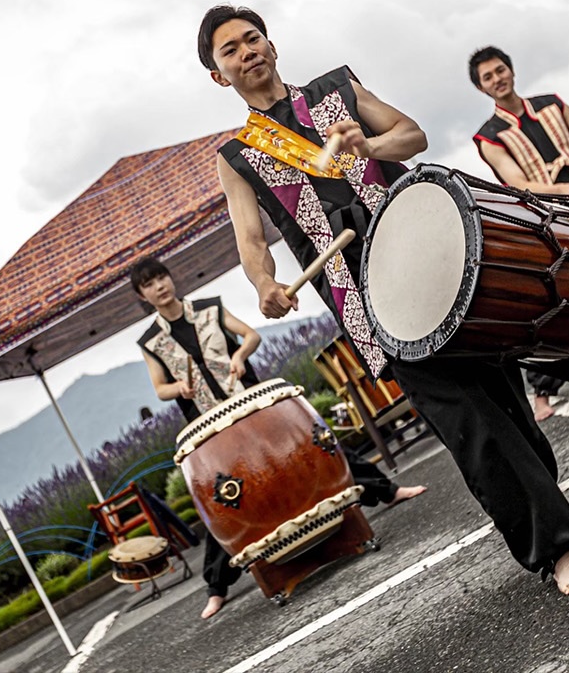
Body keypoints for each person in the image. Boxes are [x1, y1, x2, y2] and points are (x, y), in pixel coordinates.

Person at [197, 3, 569, 595]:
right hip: (364, 297)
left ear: (272, 45)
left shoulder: (336, 89)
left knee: (504, 399)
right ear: (219, 75)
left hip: (432, 252)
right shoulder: (238, 156)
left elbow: (412, 135)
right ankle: (554, 549)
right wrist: (265, 285)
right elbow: (251, 240)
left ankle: (540, 506)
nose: (247, 51)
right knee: (468, 420)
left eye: (252, 38)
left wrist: (369, 145)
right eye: (230, 50)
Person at [131, 256, 425, 619]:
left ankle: (388, 491)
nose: (159, 286)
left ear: (170, 278)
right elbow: (159, 388)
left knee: (308, 452)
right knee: (225, 502)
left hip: (250, 403)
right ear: (143, 295)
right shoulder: (151, 341)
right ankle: (217, 588)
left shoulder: (208, 308)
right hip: (208, 425)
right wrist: (179, 388)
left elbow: (251, 336)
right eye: (149, 284)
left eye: (161, 277)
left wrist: (240, 355)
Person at [466, 45, 569, 420]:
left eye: (500, 70)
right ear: (481, 87)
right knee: (559, 295)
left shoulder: (552, 103)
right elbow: (518, 184)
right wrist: (561, 191)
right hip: (552, 217)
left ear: (511, 70)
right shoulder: (489, 137)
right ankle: (541, 389)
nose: (497, 79)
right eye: (488, 77)